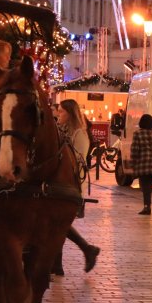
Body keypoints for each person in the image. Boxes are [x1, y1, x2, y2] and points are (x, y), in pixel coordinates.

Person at [51, 99, 100, 275]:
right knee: (57, 224)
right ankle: (58, 264)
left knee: (59, 223)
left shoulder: (79, 133)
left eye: (62, 112)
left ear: (70, 114)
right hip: (59, 184)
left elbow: (78, 161)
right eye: (58, 111)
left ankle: (85, 250)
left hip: (71, 185)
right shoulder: (61, 131)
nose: (58, 114)